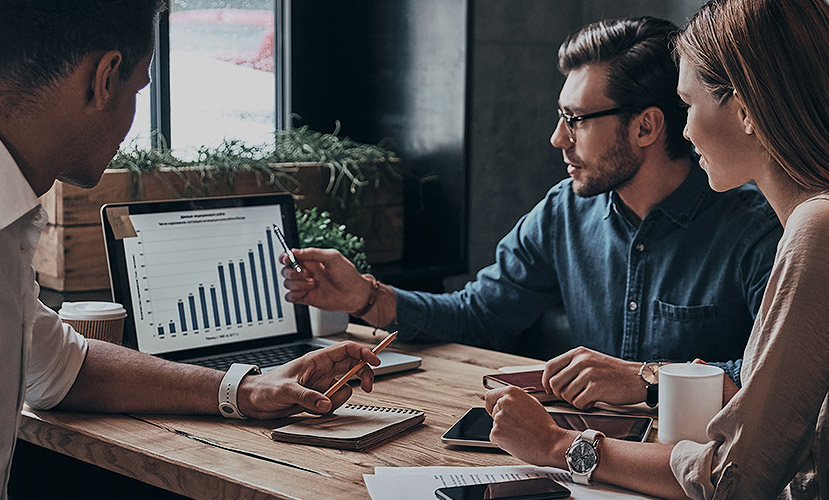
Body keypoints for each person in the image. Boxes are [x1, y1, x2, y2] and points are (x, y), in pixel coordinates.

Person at [280, 16, 782, 409]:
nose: (557, 138)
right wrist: (365, 296)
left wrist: (645, 378)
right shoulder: (564, 212)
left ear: (646, 127)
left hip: (700, 471)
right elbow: (478, 315)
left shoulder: (758, 229)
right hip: (581, 459)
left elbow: (775, 381)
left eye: (576, 121)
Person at [0, 2, 379, 498]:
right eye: (138, 89)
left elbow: (59, 368)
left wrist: (248, 389)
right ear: (104, 77)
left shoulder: (11, 225)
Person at [485, 0, 829, 497]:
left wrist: (559, 445)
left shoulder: (814, 230)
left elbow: (734, 479)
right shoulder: (810, 223)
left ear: (747, 109)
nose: (684, 130)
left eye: (688, 105)